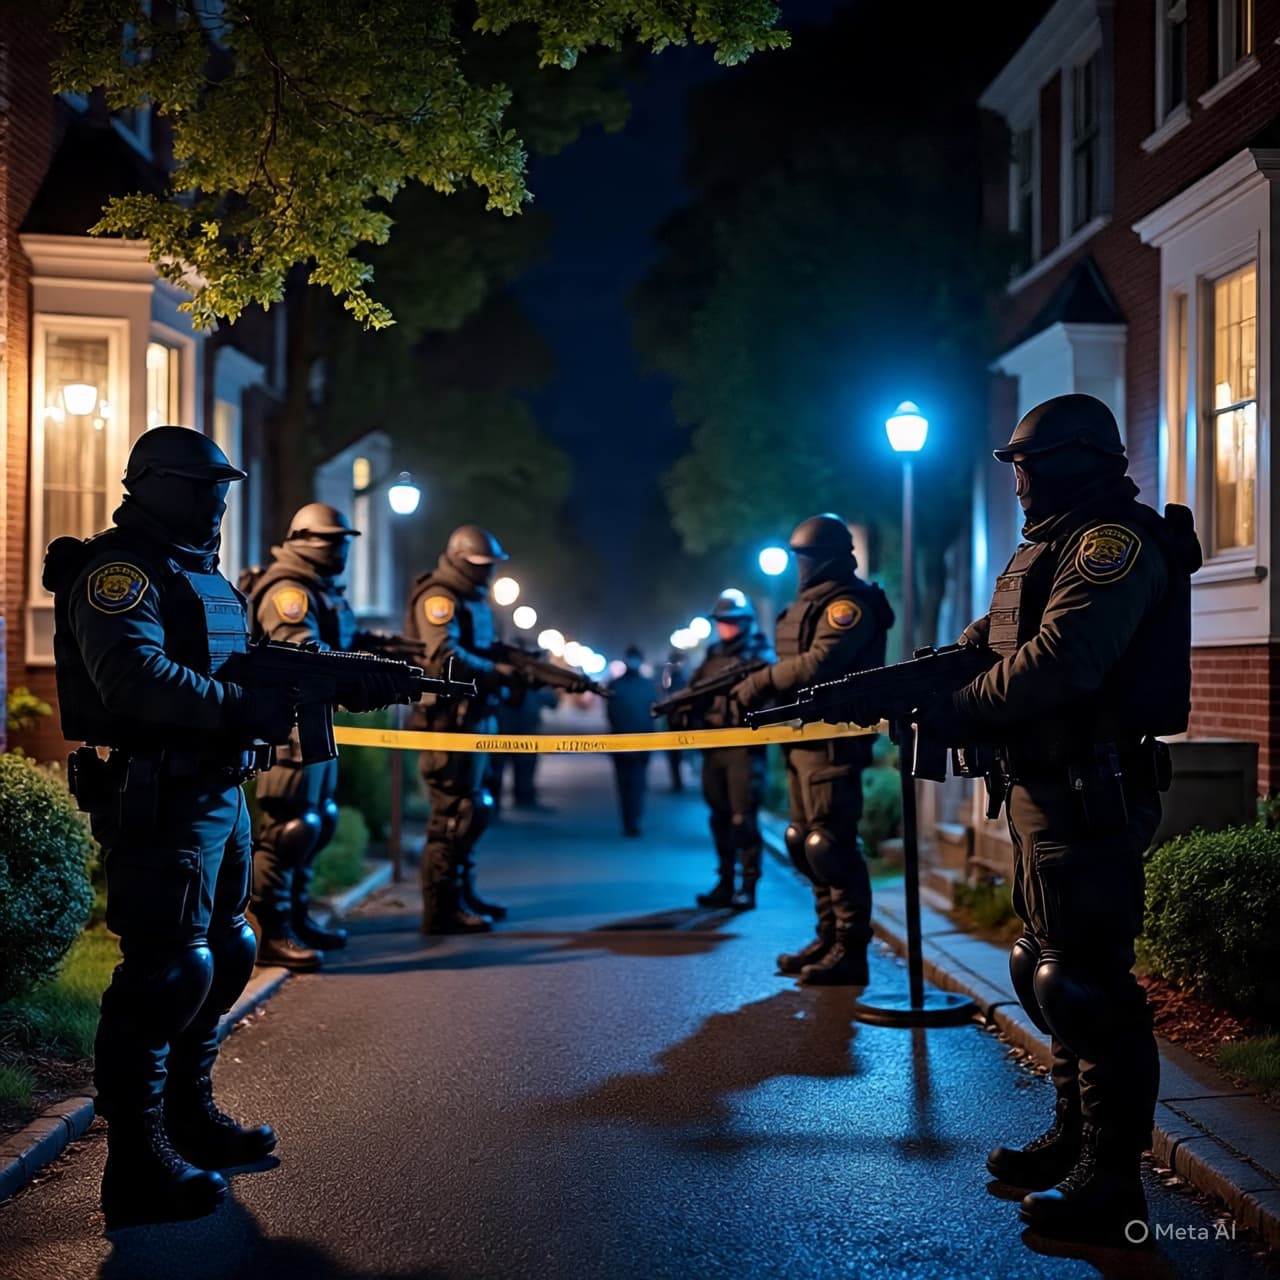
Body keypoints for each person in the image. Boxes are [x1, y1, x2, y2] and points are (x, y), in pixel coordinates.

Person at [916, 394, 1200, 1244]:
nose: (1019, 481)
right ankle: (1075, 1141)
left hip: (1091, 789)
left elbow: (1063, 660)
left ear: (1078, 460)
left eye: (1029, 464)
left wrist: (959, 707)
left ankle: (1112, 1183)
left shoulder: (1111, 543)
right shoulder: (1050, 546)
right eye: (1014, 467)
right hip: (1043, 785)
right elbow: (994, 642)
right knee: (1046, 967)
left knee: (1087, 986)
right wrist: (926, 678)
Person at [41, 429, 300, 1227]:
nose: (216, 501)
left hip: (217, 789)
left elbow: (220, 661)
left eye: (220, 487)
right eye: (200, 485)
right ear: (152, 484)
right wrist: (245, 706)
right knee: (166, 972)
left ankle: (190, 1116)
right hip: (160, 795)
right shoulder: (119, 571)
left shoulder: (197, 568)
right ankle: (136, 1159)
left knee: (228, 950)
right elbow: (134, 678)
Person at [732, 515, 894, 985]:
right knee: (803, 841)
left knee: (831, 845)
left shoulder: (848, 604)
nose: (800, 566)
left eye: (806, 558)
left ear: (826, 559)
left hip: (834, 741)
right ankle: (827, 937)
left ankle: (851, 950)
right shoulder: (809, 604)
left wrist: (762, 680)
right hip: (802, 739)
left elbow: (823, 661)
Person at [241, 503, 364, 971]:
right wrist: (356, 672)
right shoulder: (289, 589)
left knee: (319, 820)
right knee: (289, 829)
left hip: (313, 720)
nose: (340, 551)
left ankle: (297, 915)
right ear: (308, 542)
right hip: (288, 722)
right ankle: (272, 931)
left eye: (343, 542)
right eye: (333, 541)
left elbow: (338, 644)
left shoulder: (320, 589)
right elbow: (301, 651)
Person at [405, 524, 515, 933]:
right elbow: (443, 657)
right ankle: (441, 908)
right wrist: (496, 671)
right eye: (480, 565)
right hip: (447, 723)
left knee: (473, 811)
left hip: (472, 720)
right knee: (452, 816)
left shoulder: (472, 600)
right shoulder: (440, 597)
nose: (487, 573)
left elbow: (479, 650)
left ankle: (462, 893)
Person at [686, 591, 775, 910]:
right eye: (722, 621)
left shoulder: (760, 655)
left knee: (743, 819)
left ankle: (748, 886)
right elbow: (695, 693)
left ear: (746, 622)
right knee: (719, 818)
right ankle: (725, 883)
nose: (725, 626)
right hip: (714, 747)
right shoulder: (712, 655)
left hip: (745, 749)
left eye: (732, 621)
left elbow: (773, 698)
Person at [606, 646, 657, 837]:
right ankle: (629, 821)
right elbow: (611, 713)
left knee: (636, 784)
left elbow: (652, 713)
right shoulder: (617, 685)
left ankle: (633, 820)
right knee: (626, 785)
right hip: (622, 743)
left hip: (640, 744)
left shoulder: (646, 685)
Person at [658, 649, 690, 791]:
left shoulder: (683, 677)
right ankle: (677, 782)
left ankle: (678, 781)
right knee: (675, 755)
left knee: (677, 755)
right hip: (674, 720)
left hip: (681, 720)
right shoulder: (671, 677)